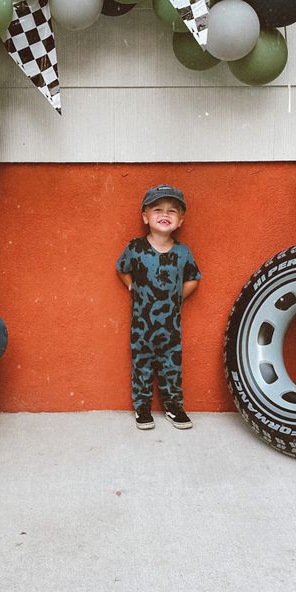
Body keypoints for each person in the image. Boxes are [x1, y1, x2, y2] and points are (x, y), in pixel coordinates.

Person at [116, 184, 201, 430]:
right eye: (157, 209)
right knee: (141, 365)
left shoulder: (183, 252)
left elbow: (194, 278)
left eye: (172, 211)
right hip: (141, 327)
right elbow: (122, 269)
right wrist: (133, 288)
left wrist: (178, 297)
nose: (165, 214)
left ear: (181, 220)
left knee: (170, 366)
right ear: (145, 217)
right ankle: (142, 408)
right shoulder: (135, 248)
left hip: (171, 327)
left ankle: (174, 407)